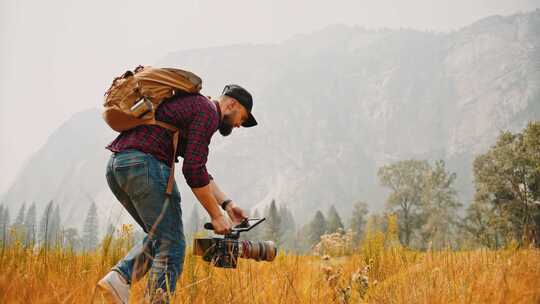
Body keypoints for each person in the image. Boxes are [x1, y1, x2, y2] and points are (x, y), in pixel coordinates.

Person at [97, 84, 257, 303]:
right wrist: (217, 216)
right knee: (172, 245)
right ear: (231, 104)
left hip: (119, 165)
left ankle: (119, 279)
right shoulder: (208, 112)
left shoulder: (195, 107)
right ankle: (142, 292)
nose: (239, 125)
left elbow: (200, 169)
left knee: (161, 237)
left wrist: (227, 205)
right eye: (243, 117)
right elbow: (193, 170)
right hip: (145, 165)